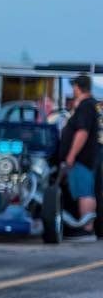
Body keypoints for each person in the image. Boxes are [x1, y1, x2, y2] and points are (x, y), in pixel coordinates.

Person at [60, 74, 99, 238]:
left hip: (81, 159)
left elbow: (82, 132)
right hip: (83, 159)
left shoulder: (85, 106)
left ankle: (87, 228)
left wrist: (71, 155)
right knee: (81, 191)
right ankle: (84, 226)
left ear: (78, 87)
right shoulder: (87, 106)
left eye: (73, 87)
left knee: (84, 192)